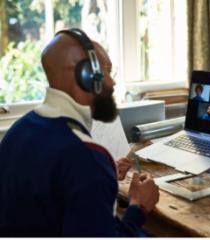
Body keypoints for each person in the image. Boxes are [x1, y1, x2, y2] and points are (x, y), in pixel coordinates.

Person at [0, 29, 159, 237]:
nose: (112, 83)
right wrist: (139, 208)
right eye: (107, 72)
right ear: (86, 76)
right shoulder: (87, 156)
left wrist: (102, 176)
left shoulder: (19, 130)